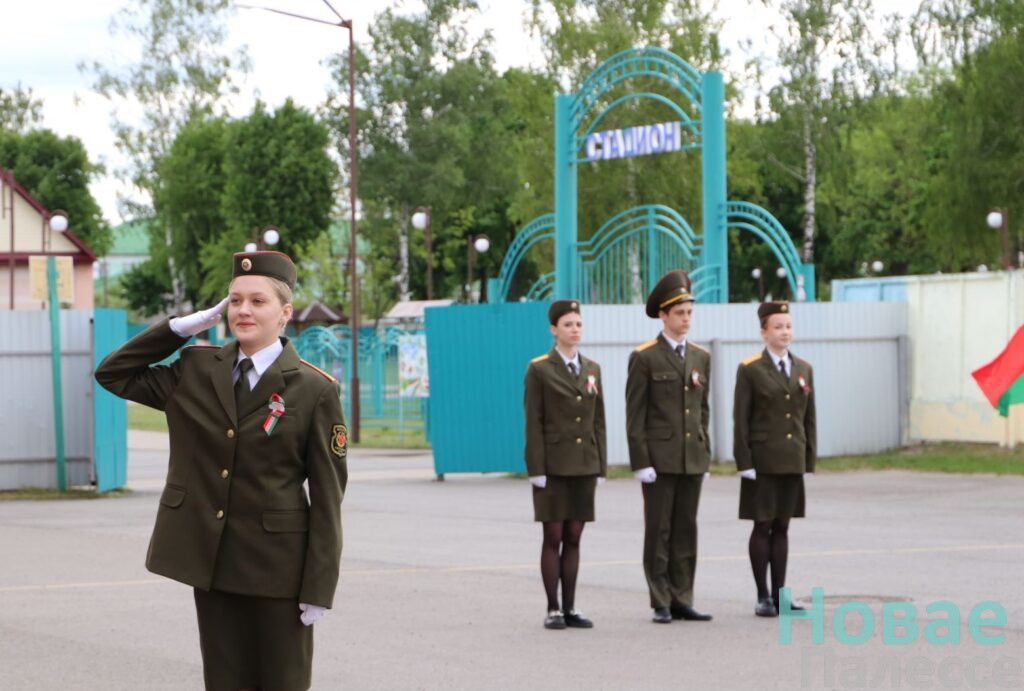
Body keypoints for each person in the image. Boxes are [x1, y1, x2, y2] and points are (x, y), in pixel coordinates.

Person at [95, 250, 348, 690]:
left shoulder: (314, 389)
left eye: (258, 301)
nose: (243, 310)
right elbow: (113, 374)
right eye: (235, 300)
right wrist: (179, 329)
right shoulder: (195, 369)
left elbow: (329, 498)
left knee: (283, 683)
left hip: (279, 570)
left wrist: (318, 587)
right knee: (224, 682)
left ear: (285, 313)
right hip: (212, 564)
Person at [625, 270, 713, 624]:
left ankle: (682, 597)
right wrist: (640, 461)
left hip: (691, 457)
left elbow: (702, 410)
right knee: (659, 530)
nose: (686, 319)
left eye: (689, 312)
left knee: (686, 530)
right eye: (679, 313)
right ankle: (660, 599)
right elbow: (636, 414)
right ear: (663, 315)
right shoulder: (645, 357)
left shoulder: (700, 356)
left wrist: (704, 453)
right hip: (659, 460)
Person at [523, 299, 607, 630]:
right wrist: (536, 468)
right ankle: (553, 608)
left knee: (574, 536)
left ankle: (571, 606)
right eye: (568, 324)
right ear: (554, 330)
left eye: (578, 324)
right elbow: (533, 421)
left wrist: (600, 465)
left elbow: (598, 420)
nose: (575, 330)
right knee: (553, 536)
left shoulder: (592, 368)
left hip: (584, 464)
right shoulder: (540, 369)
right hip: (554, 466)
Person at [733, 301, 816, 617]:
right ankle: (762, 596)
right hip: (763, 461)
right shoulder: (751, 369)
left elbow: (809, 418)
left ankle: (781, 595)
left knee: (783, 526)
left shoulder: (803, 368)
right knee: (763, 524)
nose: (785, 332)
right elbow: (741, 419)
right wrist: (744, 462)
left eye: (788, 326)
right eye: (778, 327)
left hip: (792, 459)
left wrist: (808, 459)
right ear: (764, 332)